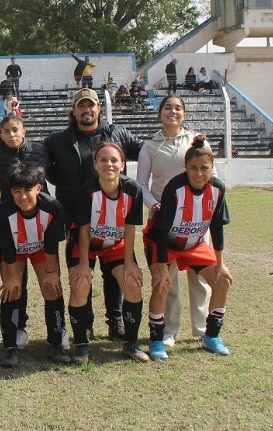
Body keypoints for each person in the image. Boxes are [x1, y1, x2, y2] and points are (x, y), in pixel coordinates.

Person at [41, 88, 143, 340]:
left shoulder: (117, 133)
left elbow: (145, 150)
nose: (86, 110)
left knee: (114, 273)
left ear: (99, 108)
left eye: (91, 105)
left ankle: (116, 321)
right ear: (74, 110)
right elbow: (36, 158)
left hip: (112, 219)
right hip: (76, 220)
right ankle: (84, 323)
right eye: (81, 106)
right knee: (81, 274)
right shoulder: (58, 140)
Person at [145, 135, 232, 360]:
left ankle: (211, 336)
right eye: (193, 168)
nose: (199, 173)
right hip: (164, 243)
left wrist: (220, 264)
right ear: (185, 167)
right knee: (162, 284)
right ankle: (156, 340)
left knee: (223, 280)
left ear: (212, 167)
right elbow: (161, 230)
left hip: (194, 245)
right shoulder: (175, 188)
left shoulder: (218, 189)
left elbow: (217, 226)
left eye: (204, 168)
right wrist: (161, 266)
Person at [136, 95, 212, 348]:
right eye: (168, 107)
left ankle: (202, 329)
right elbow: (141, 184)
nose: (173, 111)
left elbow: (211, 176)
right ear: (160, 113)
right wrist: (153, 205)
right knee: (166, 276)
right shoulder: (149, 146)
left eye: (178, 108)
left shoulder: (197, 141)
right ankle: (168, 330)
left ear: (184, 114)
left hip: (196, 218)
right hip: (163, 219)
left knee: (200, 275)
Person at [67, 143, 149, 364]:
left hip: (115, 244)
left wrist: (130, 262)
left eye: (114, 160)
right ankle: (81, 346)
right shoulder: (86, 191)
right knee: (81, 285)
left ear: (122, 165)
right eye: (103, 160)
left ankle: (131, 344)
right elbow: (83, 230)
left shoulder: (133, 189)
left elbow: (130, 228)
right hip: (84, 245)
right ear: (95, 165)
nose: (109, 164)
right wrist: (83, 265)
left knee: (132, 283)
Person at [0, 163, 70, 365]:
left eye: (28, 190)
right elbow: (7, 248)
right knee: (12, 290)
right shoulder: (4, 212)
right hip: (14, 252)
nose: (23, 196)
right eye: (17, 191)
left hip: (41, 249)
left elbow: (51, 244)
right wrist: (11, 278)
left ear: (39, 188)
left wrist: (51, 272)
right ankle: (10, 348)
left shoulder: (53, 207)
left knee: (52, 288)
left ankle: (55, 344)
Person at [0, 115, 50, 354]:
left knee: (47, 279)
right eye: (6, 131)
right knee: (14, 281)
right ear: (0, 135)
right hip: (10, 226)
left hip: (39, 223)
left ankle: (56, 332)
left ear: (24, 131)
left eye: (15, 130)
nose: (11, 135)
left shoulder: (40, 150)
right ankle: (16, 328)